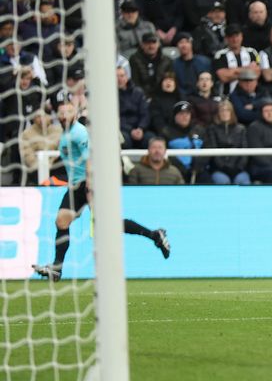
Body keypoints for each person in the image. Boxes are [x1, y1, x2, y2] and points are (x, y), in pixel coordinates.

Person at [32, 101, 171, 282]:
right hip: (76, 185)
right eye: (61, 113)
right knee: (62, 221)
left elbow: (91, 155)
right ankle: (56, 268)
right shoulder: (66, 134)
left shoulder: (79, 133)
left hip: (90, 183)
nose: (63, 116)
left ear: (74, 114)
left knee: (107, 225)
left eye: (67, 112)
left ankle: (155, 236)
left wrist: (90, 181)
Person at [205, 100, 250, 185]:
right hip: (219, 169)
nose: (225, 113)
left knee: (243, 181)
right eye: (222, 110)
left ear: (232, 112)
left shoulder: (241, 129)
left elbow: (244, 151)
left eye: (227, 110)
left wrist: (239, 167)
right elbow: (213, 150)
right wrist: (223, 167)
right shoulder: (212, 129)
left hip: (238, 169)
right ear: (218, 113)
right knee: (223, 181)